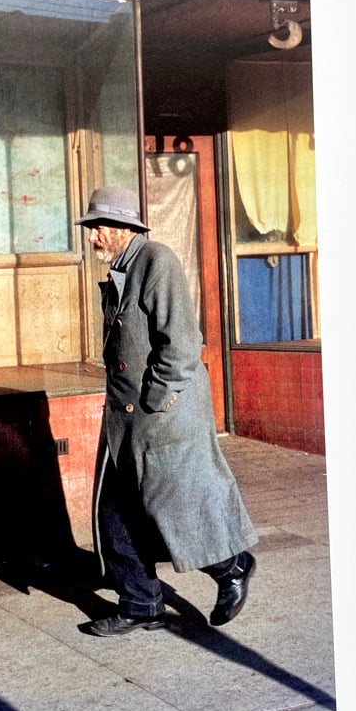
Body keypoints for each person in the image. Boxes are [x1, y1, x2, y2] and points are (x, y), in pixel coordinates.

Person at [76, 186, 258, 636]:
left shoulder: (156, 260)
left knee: (174, 507)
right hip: (126, 419)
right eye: (92, 228)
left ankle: (231, 566)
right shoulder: (122, 268)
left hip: (162, 416)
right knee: (115, 514)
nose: (92, 236)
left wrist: (156, 400)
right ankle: (141, 604)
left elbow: (182, 344)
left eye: (98, 227)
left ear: (122, 228)